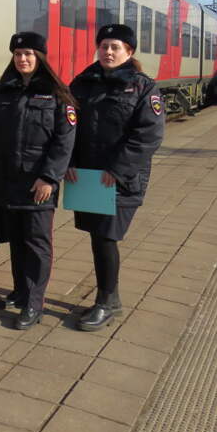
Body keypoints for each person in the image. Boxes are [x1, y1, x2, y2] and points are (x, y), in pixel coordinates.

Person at [66, 24, 164, 331]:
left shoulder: (143, 87)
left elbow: (149, 135)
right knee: (97, 236)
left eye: (115, 47)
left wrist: (117, 170)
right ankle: (112, 298)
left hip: (120, 178)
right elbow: (66, 126)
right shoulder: (82, 82)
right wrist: (69, 163)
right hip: (88, 175)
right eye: (104, 46)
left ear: (129, 52)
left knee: (106, 238)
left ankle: (106, 303)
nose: (108, 52)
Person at [0, 32, 76, 329]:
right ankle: (20, 291)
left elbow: (65, 140)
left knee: (36, 243)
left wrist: (49, 177)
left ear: (40, 57)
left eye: (29, 54)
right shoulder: (2, 91)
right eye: (18, 54)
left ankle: (35, 302)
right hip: (8, 180)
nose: (23, 59)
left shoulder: (57, 94)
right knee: (17, 241)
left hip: (38, 184)